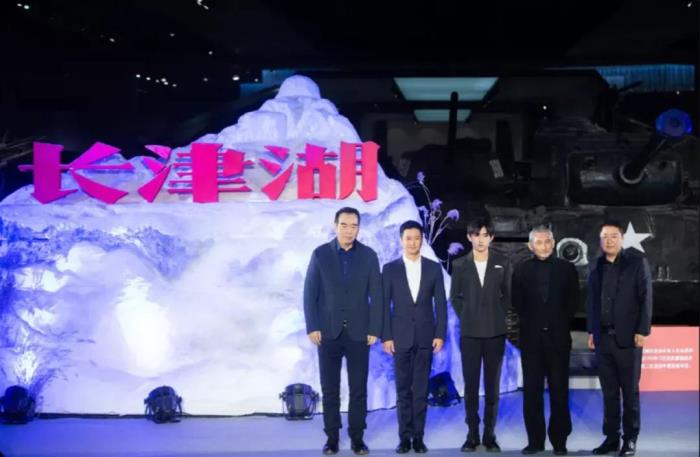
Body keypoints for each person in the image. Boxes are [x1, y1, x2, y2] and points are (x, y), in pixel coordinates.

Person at [303, 207, 383, 455]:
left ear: (359, 228)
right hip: (328, 332)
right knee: (330, 389)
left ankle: (357, 438)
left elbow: (377, 295)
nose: (349, 230)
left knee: (358, 389)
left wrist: (375, 327)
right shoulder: (320, 254)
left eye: (354, 226)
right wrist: (313, 326)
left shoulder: (369, 256)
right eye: (344, 225)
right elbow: (310, 293)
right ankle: (332, 438)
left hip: (360, 332)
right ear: (335, 225)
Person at [586, 220, 652, 456]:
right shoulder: (596, 265)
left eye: (613, 236)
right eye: (604, 236)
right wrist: (591, 330)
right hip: (602, 338)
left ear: (622, 239)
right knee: (609, 393)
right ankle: (611, 438)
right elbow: (592, 301)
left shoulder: (637, 263)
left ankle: (630, 439)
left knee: (630, 392)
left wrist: (643, 330)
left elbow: (646, 297)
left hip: (628, 340)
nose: (609, 241)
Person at [381, 220, 447, 454]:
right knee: (403, 390)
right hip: (399, 338)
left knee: (420, 389)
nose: (412, 242)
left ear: (422, 240)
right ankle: (404, 438)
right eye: (408, 238)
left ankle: (418, 438)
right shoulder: (389, 269)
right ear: (401, 240)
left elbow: (441, 303)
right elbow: (383, 305)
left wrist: (440, 334)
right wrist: (386, 336)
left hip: (426, 337)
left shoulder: (433, 268)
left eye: (417, 238)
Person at [512, 226, 579, 456]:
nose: (544, 246)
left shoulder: (567, 269)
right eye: (539, 242)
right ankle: (535, 441)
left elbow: (573, 303)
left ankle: (560, 442)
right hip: (531, 341)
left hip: (558, 340)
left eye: (548, 241)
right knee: (532, 393)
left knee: (560, 392)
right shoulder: (520, 270)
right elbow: (517, 304)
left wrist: (556, 323)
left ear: (554, 243)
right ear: (531, 246)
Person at [450, 216, 511, 452]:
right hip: (470, 334)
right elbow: (455, 297)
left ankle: (489, 435)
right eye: (476, 235)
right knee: (471, 387)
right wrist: (468, 315)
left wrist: (496, 314)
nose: (481, 239)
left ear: (491, 237)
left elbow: (508, 296)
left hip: (495, 333)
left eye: (485, 235)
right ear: (469, 237)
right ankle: (472, 435)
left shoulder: (503, 262)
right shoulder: (459, 265)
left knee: (492, 387)